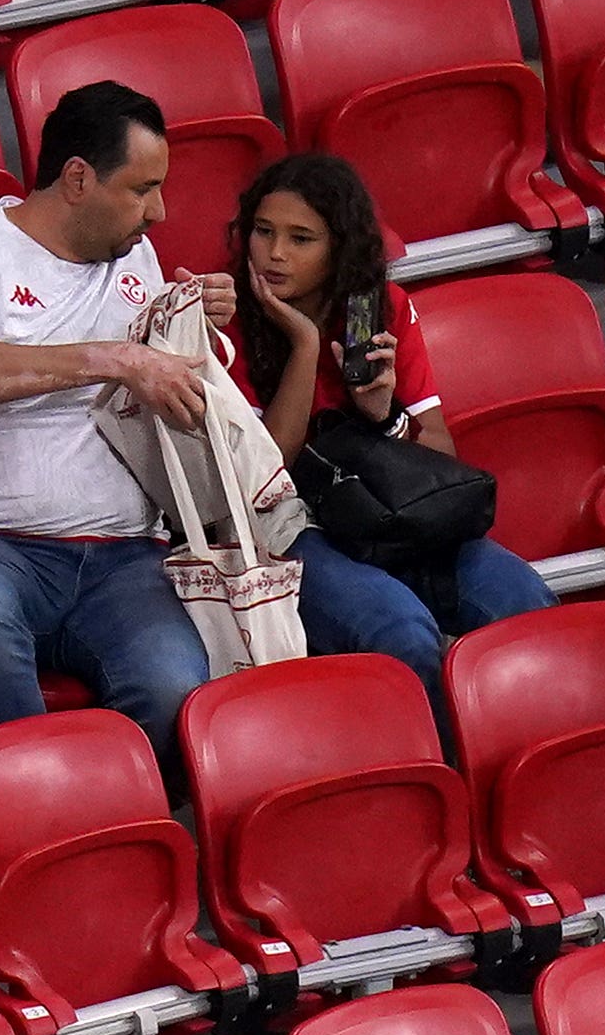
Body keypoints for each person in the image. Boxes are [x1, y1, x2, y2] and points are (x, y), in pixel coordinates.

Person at [0, 83, 221, 760]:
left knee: (173, 688)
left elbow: (166, 384)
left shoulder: (136, 257)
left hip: (123, 554)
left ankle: (117, 835)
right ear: (77, 177)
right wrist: (113, 358)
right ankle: (24, 843)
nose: (158, 212)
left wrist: (198, 325)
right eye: (141, 189)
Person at [224, 158, 550, 700]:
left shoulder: (376, 309)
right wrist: (305, 345)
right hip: (291, 529)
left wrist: (385, 415)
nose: (275, 253)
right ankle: (442, 774)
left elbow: (441, 454)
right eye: (263, 231)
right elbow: (265, 473)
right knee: (400, 635)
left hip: (388, 513)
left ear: (339, 248)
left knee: (523, 599)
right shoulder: (229, 323)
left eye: (301, 239)